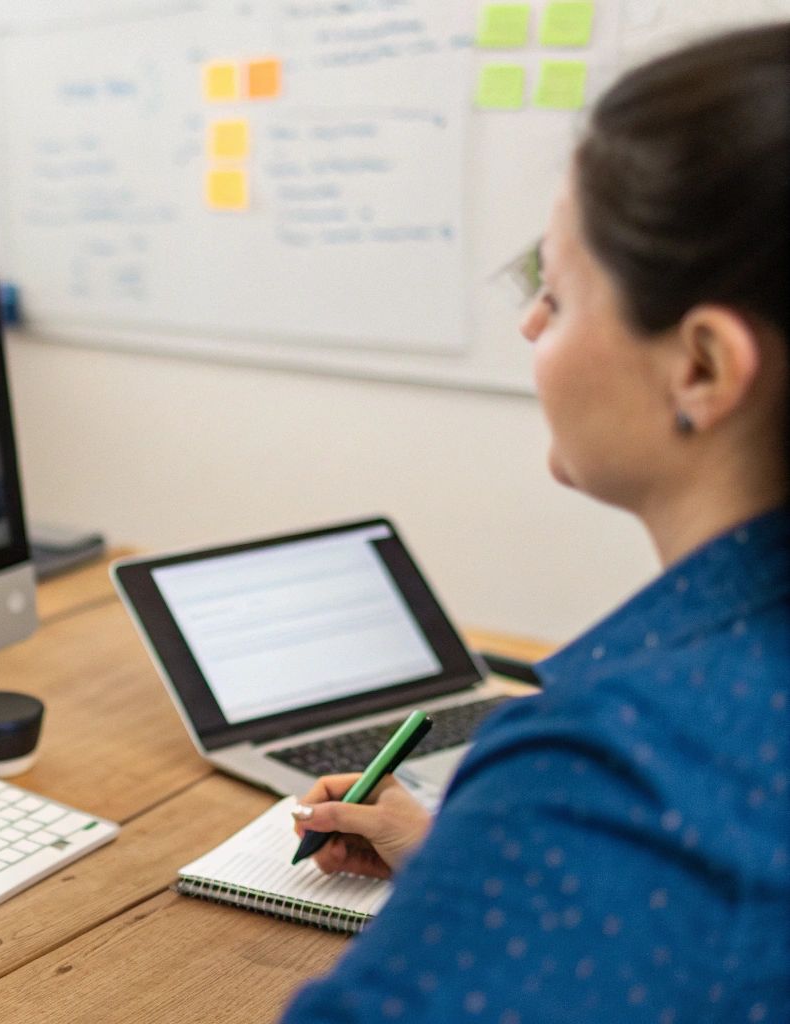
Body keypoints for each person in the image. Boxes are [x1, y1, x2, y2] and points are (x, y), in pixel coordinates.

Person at [281, 25, 789, 1022]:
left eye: (552, 291)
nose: (527, 329)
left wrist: (532, 831)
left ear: (700, 367)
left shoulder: (613, 767)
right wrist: (469, 862)